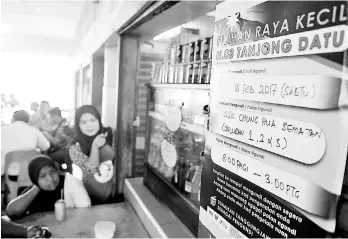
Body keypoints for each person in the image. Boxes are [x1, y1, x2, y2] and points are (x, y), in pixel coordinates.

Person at [6, 155, 91, 220]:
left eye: (52, 172)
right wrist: (37, 187)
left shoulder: (70, 182)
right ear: (35, 179)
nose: (50, 179)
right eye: (42, 176)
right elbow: (11, 212)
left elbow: (86, 213)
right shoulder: (33, 191)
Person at [69, 105, 116, 205]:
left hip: (114, 191)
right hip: (90, 196)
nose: (89, 125)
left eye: (93, 120)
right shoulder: (75, 147)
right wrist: (95, 146)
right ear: (78, 125)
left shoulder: (109, 134)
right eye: (84, 122)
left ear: (98, 120)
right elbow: (91, 169)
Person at [1, 110, 50, 176]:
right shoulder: (34, 131)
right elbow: (46, 146)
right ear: (28, 121)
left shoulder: (2, 130)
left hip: (6, 172)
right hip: (28, 173)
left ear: (13, 119)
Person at [43, 108, 75, 173]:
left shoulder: (63, 126)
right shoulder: (63, 123)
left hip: (67, 151)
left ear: (55, 116)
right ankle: (61, 172)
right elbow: (52, 131)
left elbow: (56, 142)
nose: (49, 120)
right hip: (67, 150)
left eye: (50, 117)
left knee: (47, 157)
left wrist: (47, 135)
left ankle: (59, 175)